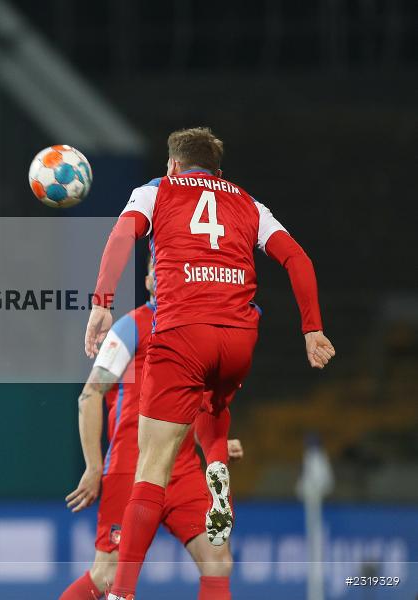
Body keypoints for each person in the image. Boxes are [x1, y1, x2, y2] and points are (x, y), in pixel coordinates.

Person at [84, 127, 335, 599]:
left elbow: (121, 235)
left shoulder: (155, 191)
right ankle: (215, 462)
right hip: (240, 337)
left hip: (183, 331)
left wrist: (102, 300)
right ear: (217, 171)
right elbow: (298, 259)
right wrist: (312, 328)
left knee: (151, 467)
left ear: (174, 166)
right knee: (214, 407)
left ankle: (122, 593)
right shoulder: (249, 202)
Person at [62, 258, 240, 600]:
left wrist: (215, 444)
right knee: (107, 576)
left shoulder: (196, 333)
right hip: (132, 467)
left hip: (182, 468)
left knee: (218, 562)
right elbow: (90, 394)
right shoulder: (130, 327)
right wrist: (94, 465)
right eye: (161, 270)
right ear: (148, 282)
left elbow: (198, 406)